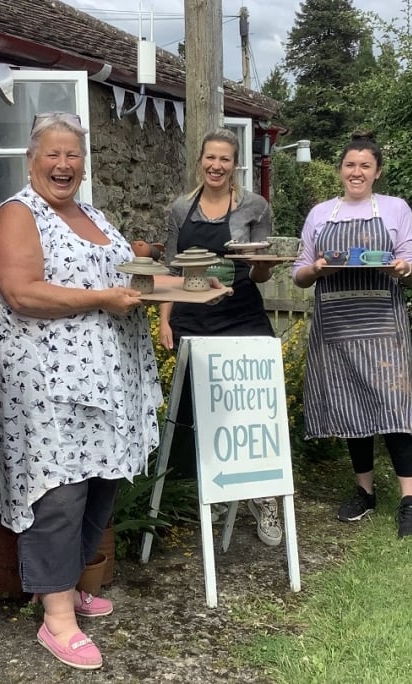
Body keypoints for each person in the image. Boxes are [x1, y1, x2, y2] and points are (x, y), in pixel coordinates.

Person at [0, 112, 162, 671]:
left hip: (105, 382)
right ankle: (57, 615)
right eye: (52, 155)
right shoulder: (16, 215)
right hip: (45, 386)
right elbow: (23, 292)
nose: (64, 165)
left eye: (73, 155)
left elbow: (128, 277)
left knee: (100, 484)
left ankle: (66, 586)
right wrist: (103, 300)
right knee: (56, 494)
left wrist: (186, 287)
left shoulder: (93, 215)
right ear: (31, 161)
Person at [292, 131, 412, 539]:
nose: (357, 172)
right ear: (340, 171)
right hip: (336, 326)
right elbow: (299, 274)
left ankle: (410, 502)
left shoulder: (394, 209)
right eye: (350, 165)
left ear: (377, 172)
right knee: (352, 410)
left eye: (365, 166)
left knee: (395, 406)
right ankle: (364, 492)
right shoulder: (320, 214)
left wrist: (401, 270)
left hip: (383, 326)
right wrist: (316, 270)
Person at [159, 128, 283, 548]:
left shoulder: (254, 206)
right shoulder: (179, 208)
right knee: (196, 410)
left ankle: (264, 497)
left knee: (256, 406)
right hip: (192, 317)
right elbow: (171, 271)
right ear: (201, 161)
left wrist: (265, 265)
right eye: (210, 158)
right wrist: (164, 320)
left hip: (242, 314)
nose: (216, 166)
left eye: (225, 159)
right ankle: (205, 496)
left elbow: (262, 267)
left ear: (235, 165)